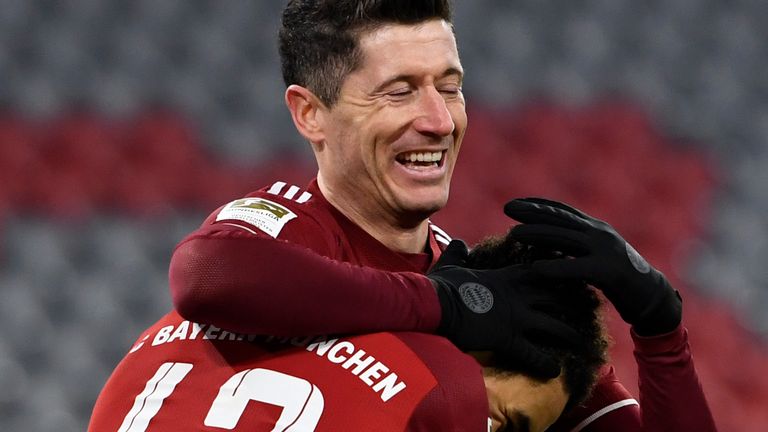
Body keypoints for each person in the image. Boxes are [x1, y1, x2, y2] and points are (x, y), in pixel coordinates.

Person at [168, 0, 717, 430]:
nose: (439, 120)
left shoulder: (494, 301)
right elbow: (206, 276)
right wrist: (445, 306)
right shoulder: (293, 230)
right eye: (399, 91)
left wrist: (660, 327)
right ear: (309, 113)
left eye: (450, 88)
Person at [89, 234, 609, 432]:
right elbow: (205, 269)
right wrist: (660, 332)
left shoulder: (184, 331)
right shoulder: (438, 391)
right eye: (506, 423)